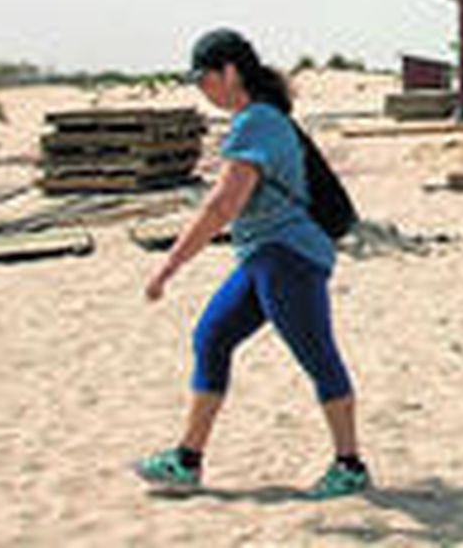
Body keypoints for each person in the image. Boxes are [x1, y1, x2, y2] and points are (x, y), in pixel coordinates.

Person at [134, 28, 369, 497]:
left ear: (230, 72)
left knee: (318, 356)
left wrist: (168, 266)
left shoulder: (256, 123)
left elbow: (222, 206)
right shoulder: (260, 119)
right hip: (265, 256)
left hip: (288, 257)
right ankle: (187, 459)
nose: (201, 88)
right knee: (212, 335)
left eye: (204, 77)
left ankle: (350, 466)